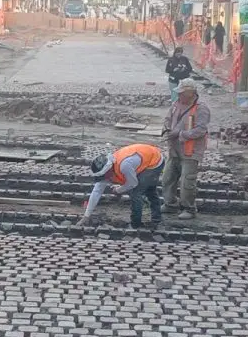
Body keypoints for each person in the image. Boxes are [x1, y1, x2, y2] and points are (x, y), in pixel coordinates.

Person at [79, 143, 165, 228]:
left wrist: (118, 190)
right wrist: (86, 216)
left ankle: (136, 225)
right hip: (142, 158)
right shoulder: (108, 169)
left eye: (103, 177)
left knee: (137, 193)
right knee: (147, 189)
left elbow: (133, 184)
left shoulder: (124, 166)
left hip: (154, 160)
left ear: (108, 171)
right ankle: (156, 219)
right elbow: (96, 191)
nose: (104, 179)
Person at [161, 78, 210, 220]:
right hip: (174, 149)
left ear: (190, 93)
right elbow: (167, 119)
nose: (179, 95)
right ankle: (170, 204)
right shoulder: (176, 104)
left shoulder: (201, 108)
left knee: (187, 182)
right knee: (167, 178)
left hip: (191, 151)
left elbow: (201, 130)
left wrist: (181, 134)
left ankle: (189, 208)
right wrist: (167, 129)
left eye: (182, 93)